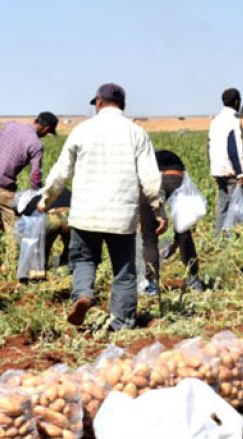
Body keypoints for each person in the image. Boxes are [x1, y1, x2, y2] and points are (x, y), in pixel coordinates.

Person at [39, 83, 165, 331]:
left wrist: (46, 199)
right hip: (122, 215)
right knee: (124, 271)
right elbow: (151, 179)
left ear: (98, 102)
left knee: (84, 260)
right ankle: (121, 323)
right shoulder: (136, 133)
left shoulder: (82, 131)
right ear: (123, 105)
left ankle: (84, 294)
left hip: (86, 213)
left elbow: (61, 171)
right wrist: (158, 209)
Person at [0, 112, 58, 274]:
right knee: (14, 225)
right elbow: (35, 174)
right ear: (46, 128)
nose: (45, 136)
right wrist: (36, 195)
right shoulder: (36, 144)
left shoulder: (11, 125)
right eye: (48, 133)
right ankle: (11, 265)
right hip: (2, 185)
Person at [139, 149, 205, 296]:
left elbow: (148, 191)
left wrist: (157, 214)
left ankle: (151, 285)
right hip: (178, 180)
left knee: (149, 239)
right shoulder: (171, 159)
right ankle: (194, 280)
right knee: (184, 233)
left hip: (156, 183)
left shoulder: (144, 161)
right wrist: (175, 243)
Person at [208, 88, 243, 234]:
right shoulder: (233, 121)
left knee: (223, 206)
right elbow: (234, 148)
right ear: (237, 101)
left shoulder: (215, 121)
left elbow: (211, 146)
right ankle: (233, 242)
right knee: (236, 208)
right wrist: (241, 173)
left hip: (218, 170)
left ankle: (219, 239)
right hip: (231, 171)